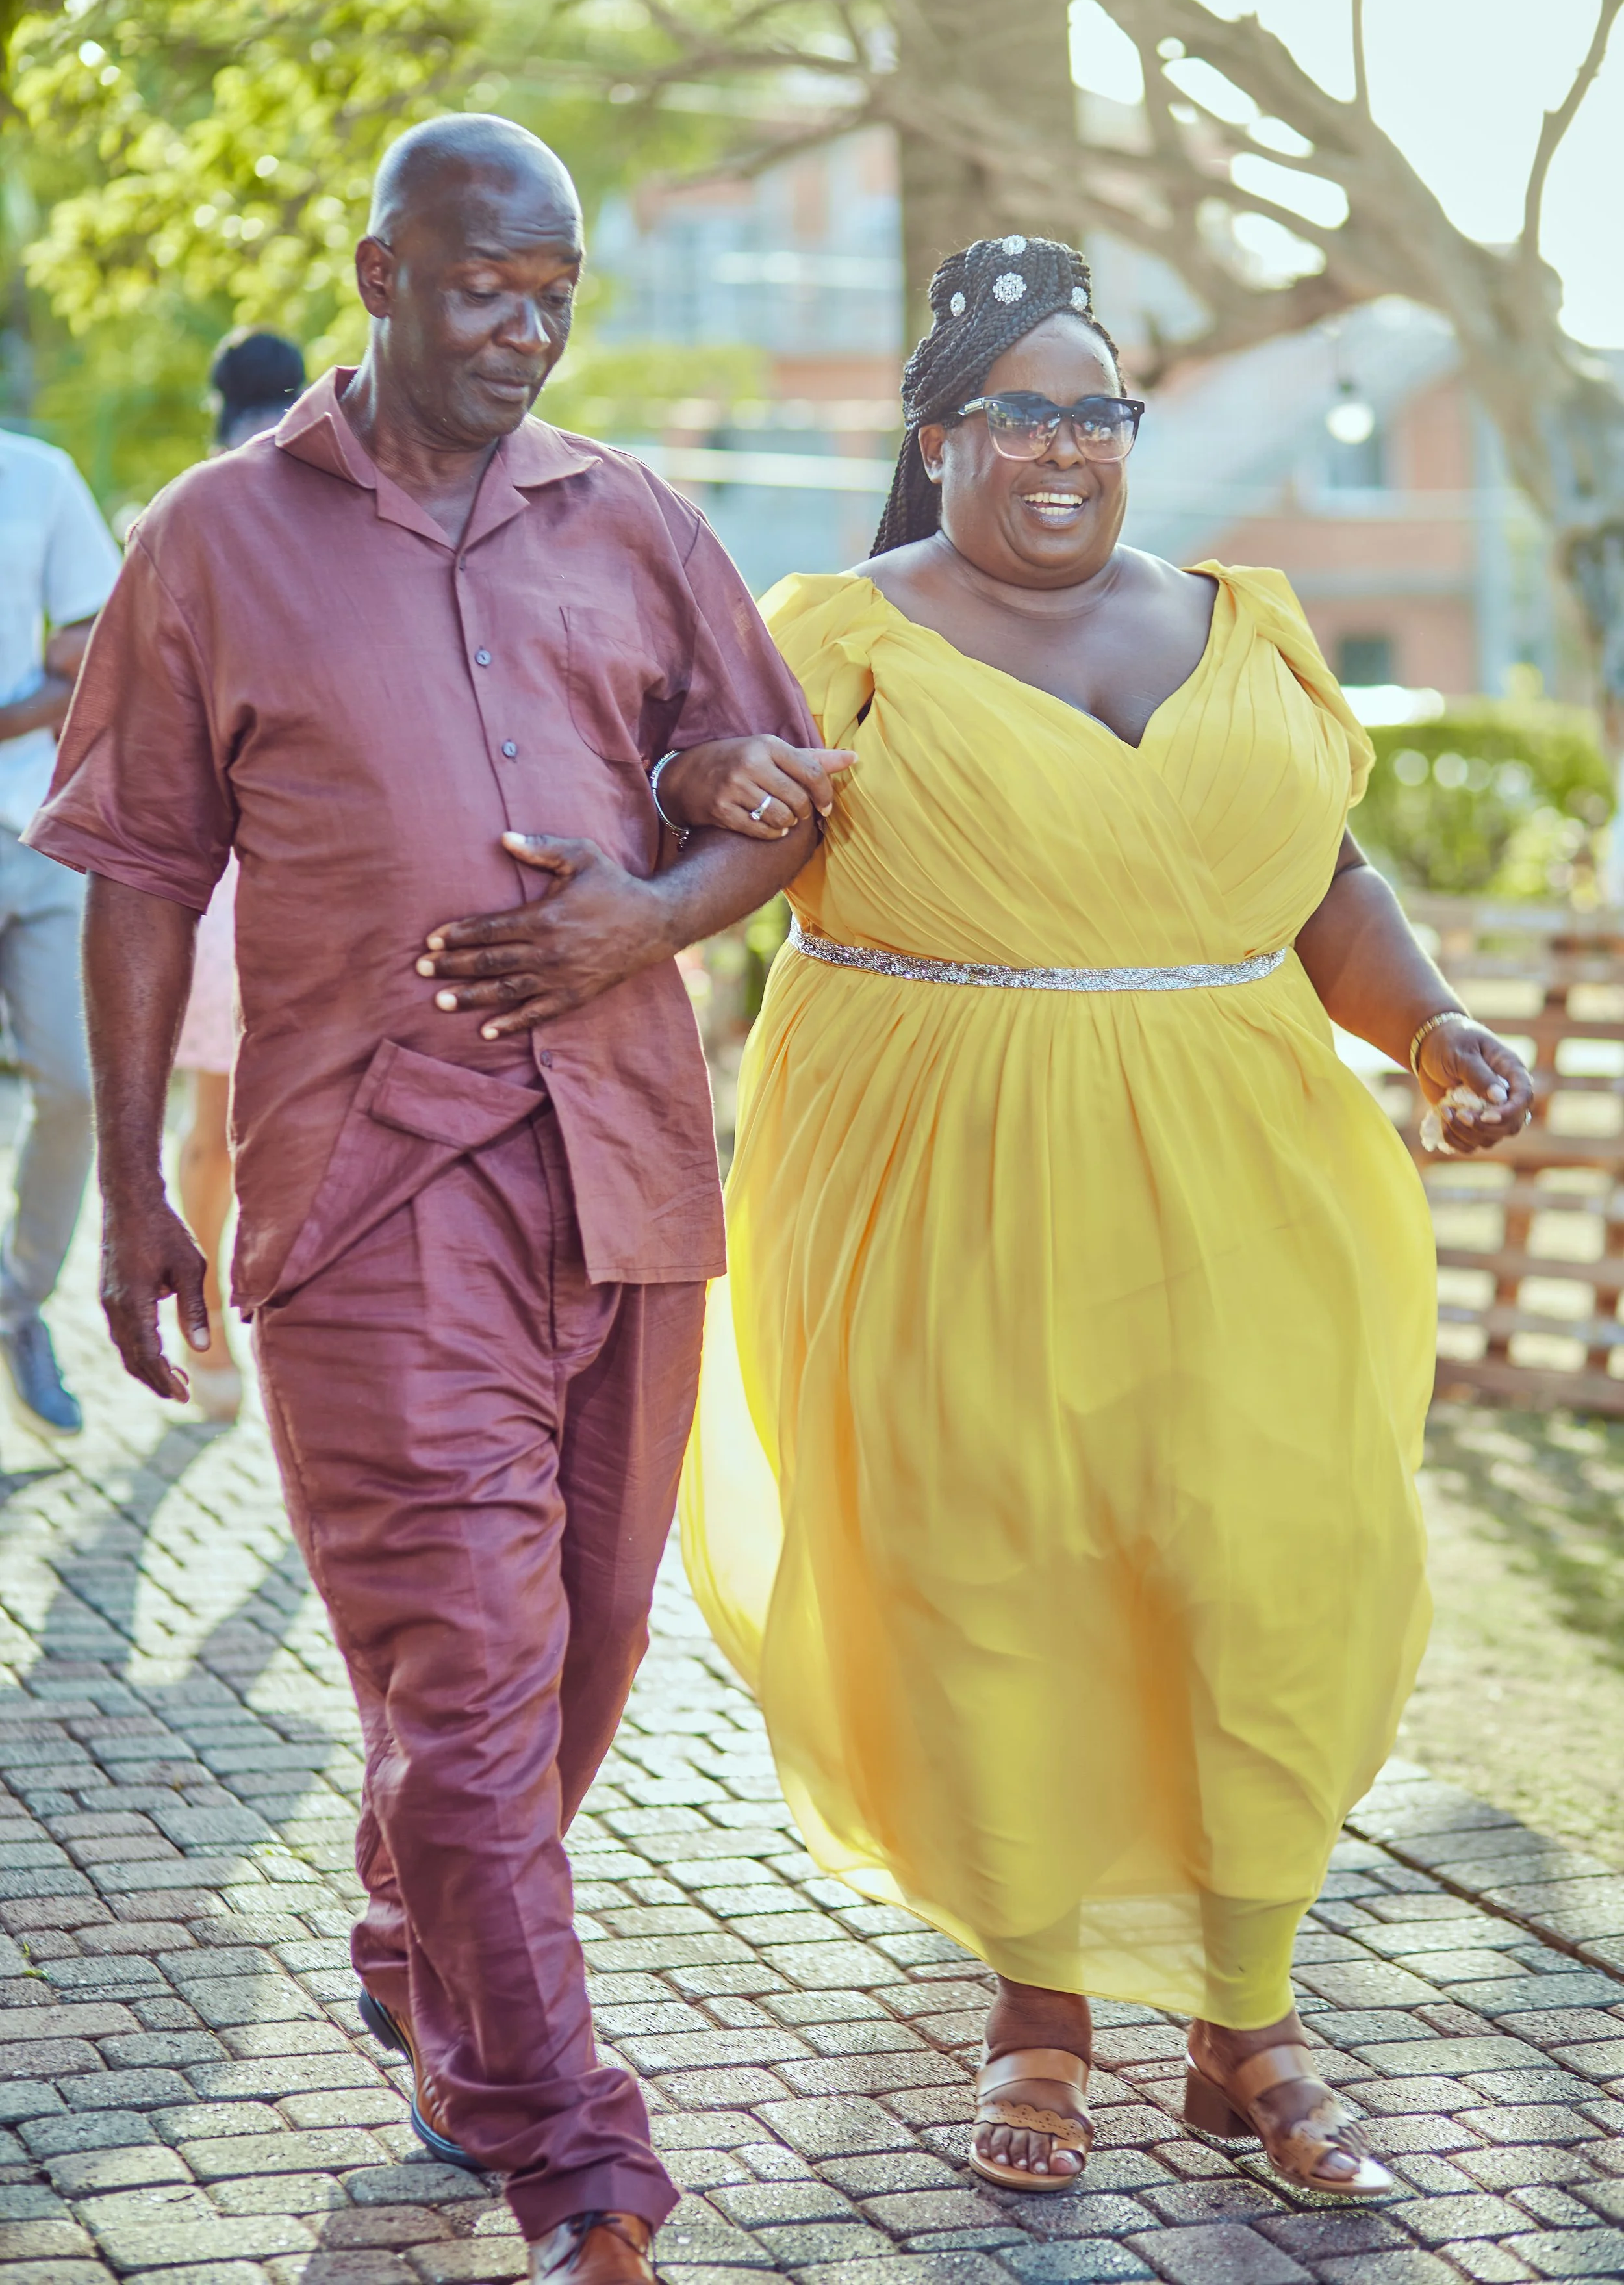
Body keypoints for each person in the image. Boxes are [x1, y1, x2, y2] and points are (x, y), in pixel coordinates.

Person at [27, 113, 820, 2285]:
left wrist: (645, 912)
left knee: (580, 1658)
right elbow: (132, 875)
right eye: (488, 286)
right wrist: (127, 1199)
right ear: (382, 275)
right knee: (466, 1674)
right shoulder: (212, 538)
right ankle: (572, 2152)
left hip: (632, 1162)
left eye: (559, 292)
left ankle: (412, 1935)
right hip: (372, 1186)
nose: (528, 325)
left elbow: (776, 800)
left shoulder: (634, 522)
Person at [662, 235, 1534, 2202]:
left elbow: (1325, 878)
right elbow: (703, 833)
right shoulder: (833, 634)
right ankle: (1038, 2011)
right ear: (939, 431)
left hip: (1243, 1185)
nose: (1065, 446)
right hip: (935, 1183)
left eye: (1097, 408)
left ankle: (1250, 2014)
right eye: (1021, 410)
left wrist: (1435, 1025)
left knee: (1262, 1562)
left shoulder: (1241, 621)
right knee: (992, 1574)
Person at [173, 331, 309, 1424]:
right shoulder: (233, 512)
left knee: (227, 1115)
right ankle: (217, 1318)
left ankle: (220, 1323)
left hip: (244, 863)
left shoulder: (198, 508)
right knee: (240, 1115)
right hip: (257, 863)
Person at [0, 421, 121, 1442]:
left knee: (76, 1083)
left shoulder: (40, 478)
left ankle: (15, 1301)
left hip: (34, 827)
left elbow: (98, 645)